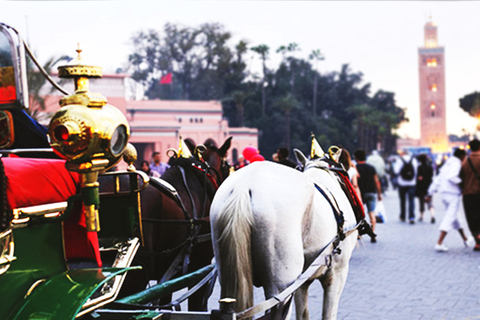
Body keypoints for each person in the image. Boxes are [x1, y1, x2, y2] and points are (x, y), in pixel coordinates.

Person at [428, 148, 474, 252]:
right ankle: (439, 243)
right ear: (462, 156)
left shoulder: (446, 165)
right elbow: (452, 177)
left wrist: (430, 192)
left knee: (455, 217)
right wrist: (462, 184)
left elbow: (437, 180)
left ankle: (465, 239)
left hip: (444, 194)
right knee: (449, 217)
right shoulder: (457, 164)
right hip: (452, 195)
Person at [354, 149, 382, 242]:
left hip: (359, 194)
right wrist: (379, 193)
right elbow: (376, 181)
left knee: (359, 214)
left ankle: (358, 234)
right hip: (371, 192)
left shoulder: (355, 168)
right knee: (372, 213)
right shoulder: (371, 168)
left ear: (356, 158)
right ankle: (372, 234)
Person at [460, 139, 480, 251]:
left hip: (468, 194)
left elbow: (460, 177)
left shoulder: (465, 161)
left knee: (472, 218)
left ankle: (477, 241)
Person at [394, 149, 418, 224]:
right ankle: (411, 216)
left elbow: (396, 171)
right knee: (411, 200)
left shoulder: (399, 160)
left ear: (403, 153)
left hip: (402, 183)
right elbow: (416, 172)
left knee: (402, 200)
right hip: (412, 183)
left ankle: (403, 216)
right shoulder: (414, 160)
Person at [415, 153, 435, 223]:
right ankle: (432, 215)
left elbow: (419, 178)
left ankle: (421, 216)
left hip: (421, 187)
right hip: (429, 186)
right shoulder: (430, 167)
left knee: (421, 202)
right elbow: (432, 175)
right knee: (430, 202)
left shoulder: (419, 167)